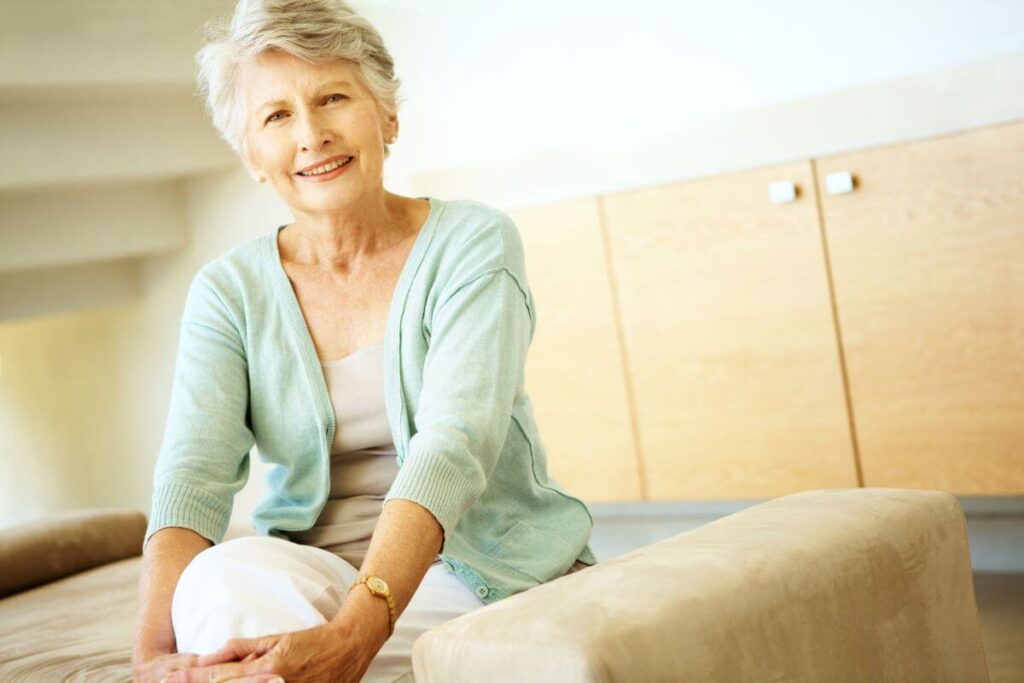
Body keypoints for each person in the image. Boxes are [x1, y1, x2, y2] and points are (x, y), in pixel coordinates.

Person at [130, 1, 597, 682]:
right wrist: (148, 660)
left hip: (476, 567)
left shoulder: (473, 243)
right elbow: (191, 478)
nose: (312, 134)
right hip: (313, 574)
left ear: (388, 117)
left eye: (333, 97)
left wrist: (354, 632)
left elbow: (454, 443)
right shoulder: (227, 292)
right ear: (253, 157)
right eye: (277, 116)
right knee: (214, 585)